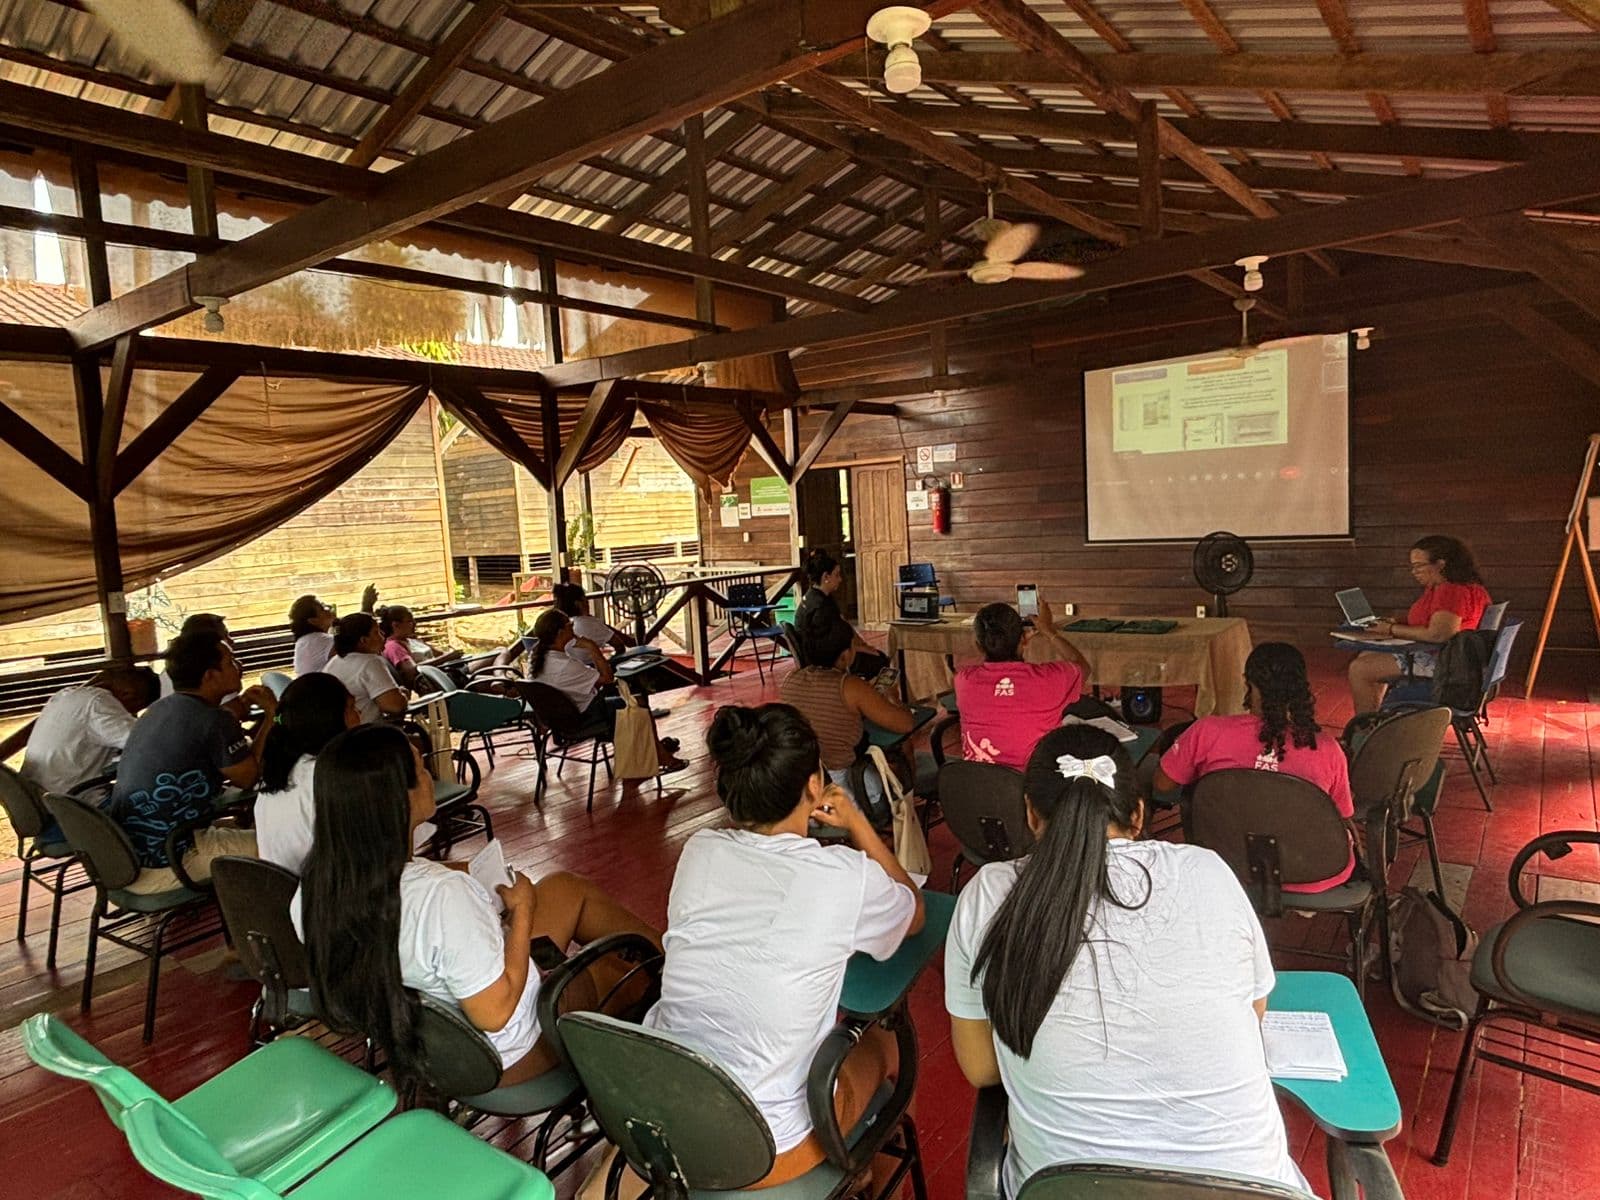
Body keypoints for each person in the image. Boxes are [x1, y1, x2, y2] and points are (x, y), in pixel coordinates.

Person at [944, 725, 1307, 1197]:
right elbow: (1252, 1013)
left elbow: (982, 1070)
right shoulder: (1207, 872)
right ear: (1137, 815)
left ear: (1032, 816)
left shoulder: (988, 895)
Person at [639, 704, 923, 1189]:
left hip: (661, 1111)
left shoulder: (700, 850)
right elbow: (913, 912)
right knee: (891, 1041)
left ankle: (861, 1168)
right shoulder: (841, 877)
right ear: (815, 784)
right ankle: (867, 1174)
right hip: (762, 1145)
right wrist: (857, 824)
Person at [296, 723, 662, 1087]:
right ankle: (669, 971)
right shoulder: (443, 896)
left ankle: (667, 955)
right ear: (398, 797)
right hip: (510, 1053)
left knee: (565, 888)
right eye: (421, 768)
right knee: (630, 974)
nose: (429, 775)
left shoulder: (317, 889)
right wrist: (522, 913)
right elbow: (495, 1013)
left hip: (427, 1043)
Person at [1155, 643, 1355, 893]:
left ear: (1248, 683)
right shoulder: (1328, 750)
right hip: (1314, 871)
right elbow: (1342, 816)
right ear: (1300, 688)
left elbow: (1162, 784)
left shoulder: (1207, 732)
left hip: (1225, 865)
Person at [108, 631, 272, 893]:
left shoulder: (160, 709)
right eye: (230, 662)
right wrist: (272, 716)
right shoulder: (215, 720)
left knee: (251, 825)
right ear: (209, 676)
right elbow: (249, 778)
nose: (238, 668)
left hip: (127, 856)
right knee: (288, 847)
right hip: (172, 858)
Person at [781, 604, 915, 822]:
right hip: (853, 794)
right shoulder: (850, 686)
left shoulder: (791, 680)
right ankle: (907, 815)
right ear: (845, 655)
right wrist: (892, 696)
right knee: (901, 756)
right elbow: (906, 724)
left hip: (807, 794)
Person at [525, 609, 684, 772]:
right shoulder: (565, 665)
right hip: (582, 720)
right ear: (560, 632)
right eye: (570, 625)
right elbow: (607, 678)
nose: (573, 627)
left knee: (622, 701)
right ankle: (658, 754)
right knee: (637, 702)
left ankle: (646, 749)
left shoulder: (535, 659)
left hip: (557, 721)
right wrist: (592, 647)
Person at [1348, 534, 1493, 711]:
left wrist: (1392, 629)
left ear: (1441, 564)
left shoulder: (1451, 590)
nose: (1414, 571)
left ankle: (1363, 730)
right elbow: (1432, 619)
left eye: (1419, 566)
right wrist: (1397, 622)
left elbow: (1439, 634)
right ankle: (1374, 721)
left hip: (1446, 665)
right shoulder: (1466, 587)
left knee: (1359, 668)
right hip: (1458, 660)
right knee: (1366, 655)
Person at [954, 600, 1084, 770]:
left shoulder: (963, 681)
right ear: (1023, 639)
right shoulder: (1048, 679)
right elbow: (1082, 666)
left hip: (979, 788)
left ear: (978, 645)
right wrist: (1048, 630)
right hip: (1034, 789)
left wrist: (1014, 643)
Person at [254, 673, 358, 874]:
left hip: (290, 896)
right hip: (329, 896)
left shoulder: (278, 775)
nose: (359, 714)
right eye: (352, 708)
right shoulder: (334, 778)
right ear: (331, 719)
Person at [19, 667, 160, 795]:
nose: (129, 714)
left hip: (37, 798)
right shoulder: (99, 704)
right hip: (72, 801)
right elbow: (147, 742)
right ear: (129, 695)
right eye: (136, 709)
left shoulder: (66, 694)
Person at [795, 549, 886, 679]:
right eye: (836, 575)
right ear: (826, 577)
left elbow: (843, 627)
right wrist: (866, 650)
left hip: (823, 652)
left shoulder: (814, 596)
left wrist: (863, 645)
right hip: (824, 659)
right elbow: (837, 645)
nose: (840, 579)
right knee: (881, 662)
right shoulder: (822, 607)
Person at [321, 613, 408, 724]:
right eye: (376, 632)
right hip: (367, 734)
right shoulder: (369, 662)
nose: (383, 635)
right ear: (364, 640)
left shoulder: (334, 662)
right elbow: (394, 706)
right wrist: (403, 694)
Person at [376, 604, 462, 691]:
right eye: (409, 621)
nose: (414, 623)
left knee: (476, 665)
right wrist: (446, 658)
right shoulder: (393, 647)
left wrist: (454, 655)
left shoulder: (413, 640)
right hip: (438, 682)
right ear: (396, 625)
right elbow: (412, 670)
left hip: (449, 672)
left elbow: (440, 654)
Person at [552, 582, 633, 665]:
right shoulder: (589, 623)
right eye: (585, 599)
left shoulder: (559, 626)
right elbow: (620, 646)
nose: (587, 602)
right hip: (590, 671)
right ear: (579, 603)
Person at [289, 595, 337, 676]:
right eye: (323, 608)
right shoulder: (322, 641)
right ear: (313, 621)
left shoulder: (306, 640)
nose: (328, 610)